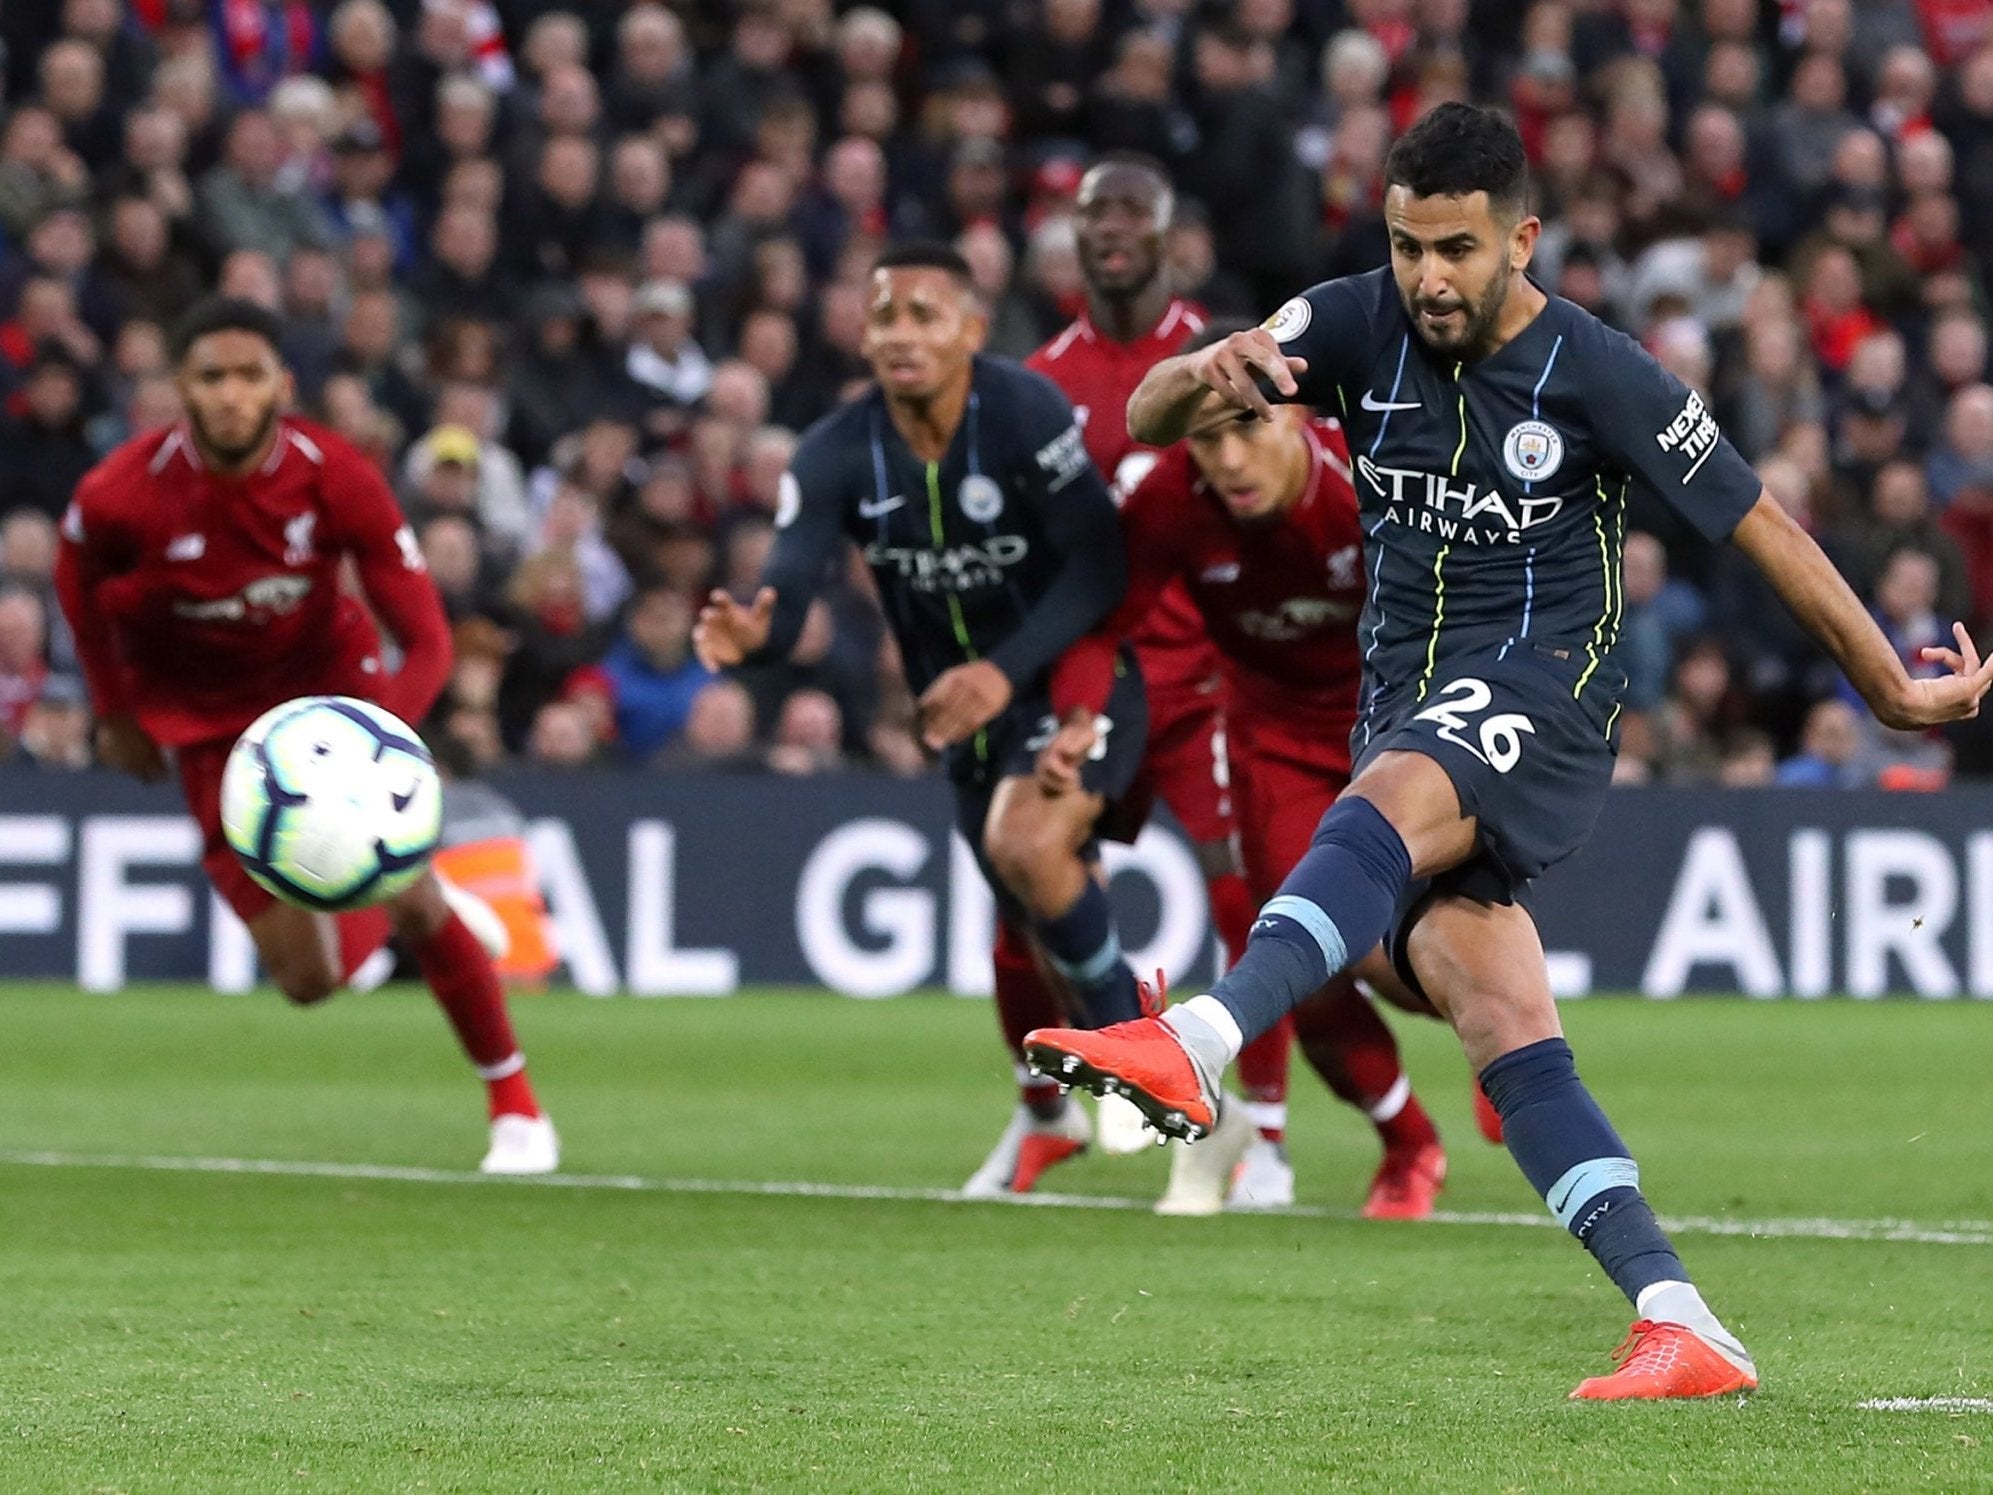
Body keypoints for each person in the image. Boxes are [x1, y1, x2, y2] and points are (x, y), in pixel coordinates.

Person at [1023, 104, 1993, 1400]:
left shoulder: (1599, 370)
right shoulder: (1351, 321)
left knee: (1374, 807)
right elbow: (1147, 412)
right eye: (1410, 243)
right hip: (1406, 697)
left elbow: (1753, 518)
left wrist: (1882, 675)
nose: (1429, 275)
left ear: (1520, 239)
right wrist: (1218, 365)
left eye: (1458, 249)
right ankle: (1680, 1315)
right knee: (1495, 1013)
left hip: (1547, 688)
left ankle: (1193, 1041)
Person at [53, 296, 557, 1175]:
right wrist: (114, 712)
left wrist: (381, 736)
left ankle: (516, 1108)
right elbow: (75, 578)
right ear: (182, 387)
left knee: (414, 897)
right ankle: (381, 906)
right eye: (212, 376)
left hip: (329, 694)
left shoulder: (334, 473)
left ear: (282, 384)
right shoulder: (121, 494)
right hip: (212, 726)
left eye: (250, 375)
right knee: (307, 981)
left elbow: (428, 634)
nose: (232, 395)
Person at [694, 242, 1142, 1196]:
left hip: (1070, 678)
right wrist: (755, 636)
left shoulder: (1022, 412)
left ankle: (1137, 1050)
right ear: (861, 334)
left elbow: (1100, 566)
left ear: (972, 332)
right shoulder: (834, 452)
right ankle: (1046, 1113)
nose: (902, 334)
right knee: (1019, 924)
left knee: (1025, 846)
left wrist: (1004, 668)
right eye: (885, 315)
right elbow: (790, 581)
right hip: (963, 713)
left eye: (925, 314)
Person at [1045, 320, 1474, 1219]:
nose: (1230, 458)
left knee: (1420, 956)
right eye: (1208, 436)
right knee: (1293, 953)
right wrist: (1080, 716)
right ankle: (1410, 1145)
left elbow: (1465, 609)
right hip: (1274, 735)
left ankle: (1495, 1052)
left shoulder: (1366, 487)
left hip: (1397, 724)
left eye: (1250, 426)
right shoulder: (1170, 500)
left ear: (1303, 420)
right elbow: (1103, 621)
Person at [1022, 153, 1271, 1182]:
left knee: (1242, 890)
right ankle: (1048, 1104)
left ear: (1170, 238)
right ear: (1073, 239)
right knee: (1028, 866)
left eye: (1132, 212)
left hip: (1210, 670)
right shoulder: (1041, 384)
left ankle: (1267, 1130)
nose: (1112, 229)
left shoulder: (1222, 362)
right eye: (1094, 215)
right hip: (1101, 671)